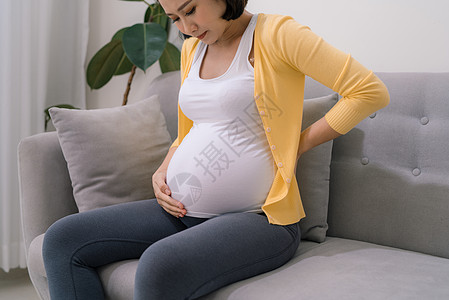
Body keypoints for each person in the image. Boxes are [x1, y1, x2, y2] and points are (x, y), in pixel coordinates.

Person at [43, 0, 389, 299]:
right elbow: (190, 128)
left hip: (260, 220)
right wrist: (163, 170)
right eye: (175, 18)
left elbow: (369, 91)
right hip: (181, 212)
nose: (187, 26)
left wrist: (295, 145)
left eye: (190, 9)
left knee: (159, 265)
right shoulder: (194, 48)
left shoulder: (278, 34)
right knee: (63, 239)